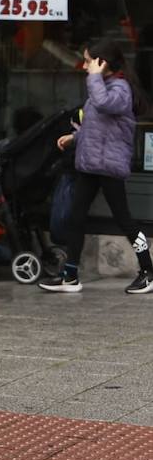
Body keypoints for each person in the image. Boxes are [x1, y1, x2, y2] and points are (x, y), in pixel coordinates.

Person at [41, 39, 153, 294]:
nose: (84, 66)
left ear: (103, 63)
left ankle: (148, 270)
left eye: (89, 60)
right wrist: (74, 138)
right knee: (75, 218)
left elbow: (105, 105)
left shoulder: (120, 89)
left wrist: (94, 77)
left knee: (124, 220)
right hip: (90, 165)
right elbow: (98, 126)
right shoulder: (101, 87)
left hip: (109, 166)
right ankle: (70, 275)